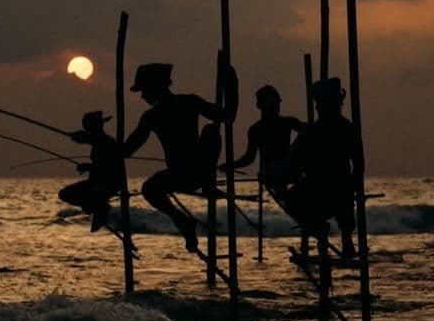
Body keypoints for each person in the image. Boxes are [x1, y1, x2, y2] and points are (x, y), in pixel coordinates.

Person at [122, 62, 238, 251]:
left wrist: (232, 84)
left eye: (144, 89)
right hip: (181, 175)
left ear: (156, 87)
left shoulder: (158, 113)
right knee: (149, 188)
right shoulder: (181, 105)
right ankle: (183, 222)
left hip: (194, 172)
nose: (142, 96)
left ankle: (195, 201)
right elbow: (127, 150)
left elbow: (126, 150)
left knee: (211, 130)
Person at [280, 78, 361, 258]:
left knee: (342, 198)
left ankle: (345, 239)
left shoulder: (344, 129)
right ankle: (322, 230)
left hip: (336, 189)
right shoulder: (314, 131)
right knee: (292, 199)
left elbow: (358, 164)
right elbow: (293, 160)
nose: (317, 108)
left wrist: (353, 186)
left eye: (321, 104)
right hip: (317, 188)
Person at [223, 85, 304, 194]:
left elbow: (310, 132)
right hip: (273, 172)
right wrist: (231, 165)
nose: (277, 107)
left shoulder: (287, 122)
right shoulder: (257, 129)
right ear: (262, 106)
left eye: (277, 104)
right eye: (274, 104)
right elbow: (249, 158)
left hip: (286, 169)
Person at [58, 111, 125, 232]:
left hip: (108, 184)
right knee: (65, 194)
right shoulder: (98, 141)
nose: (88, 129)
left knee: (89, 196)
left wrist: (88, 167)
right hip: (95, 182)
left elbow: (108, 168)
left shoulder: (107, 143)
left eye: (89, 127)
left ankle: (100, 209)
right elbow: (88, 139)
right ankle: (96, 209)